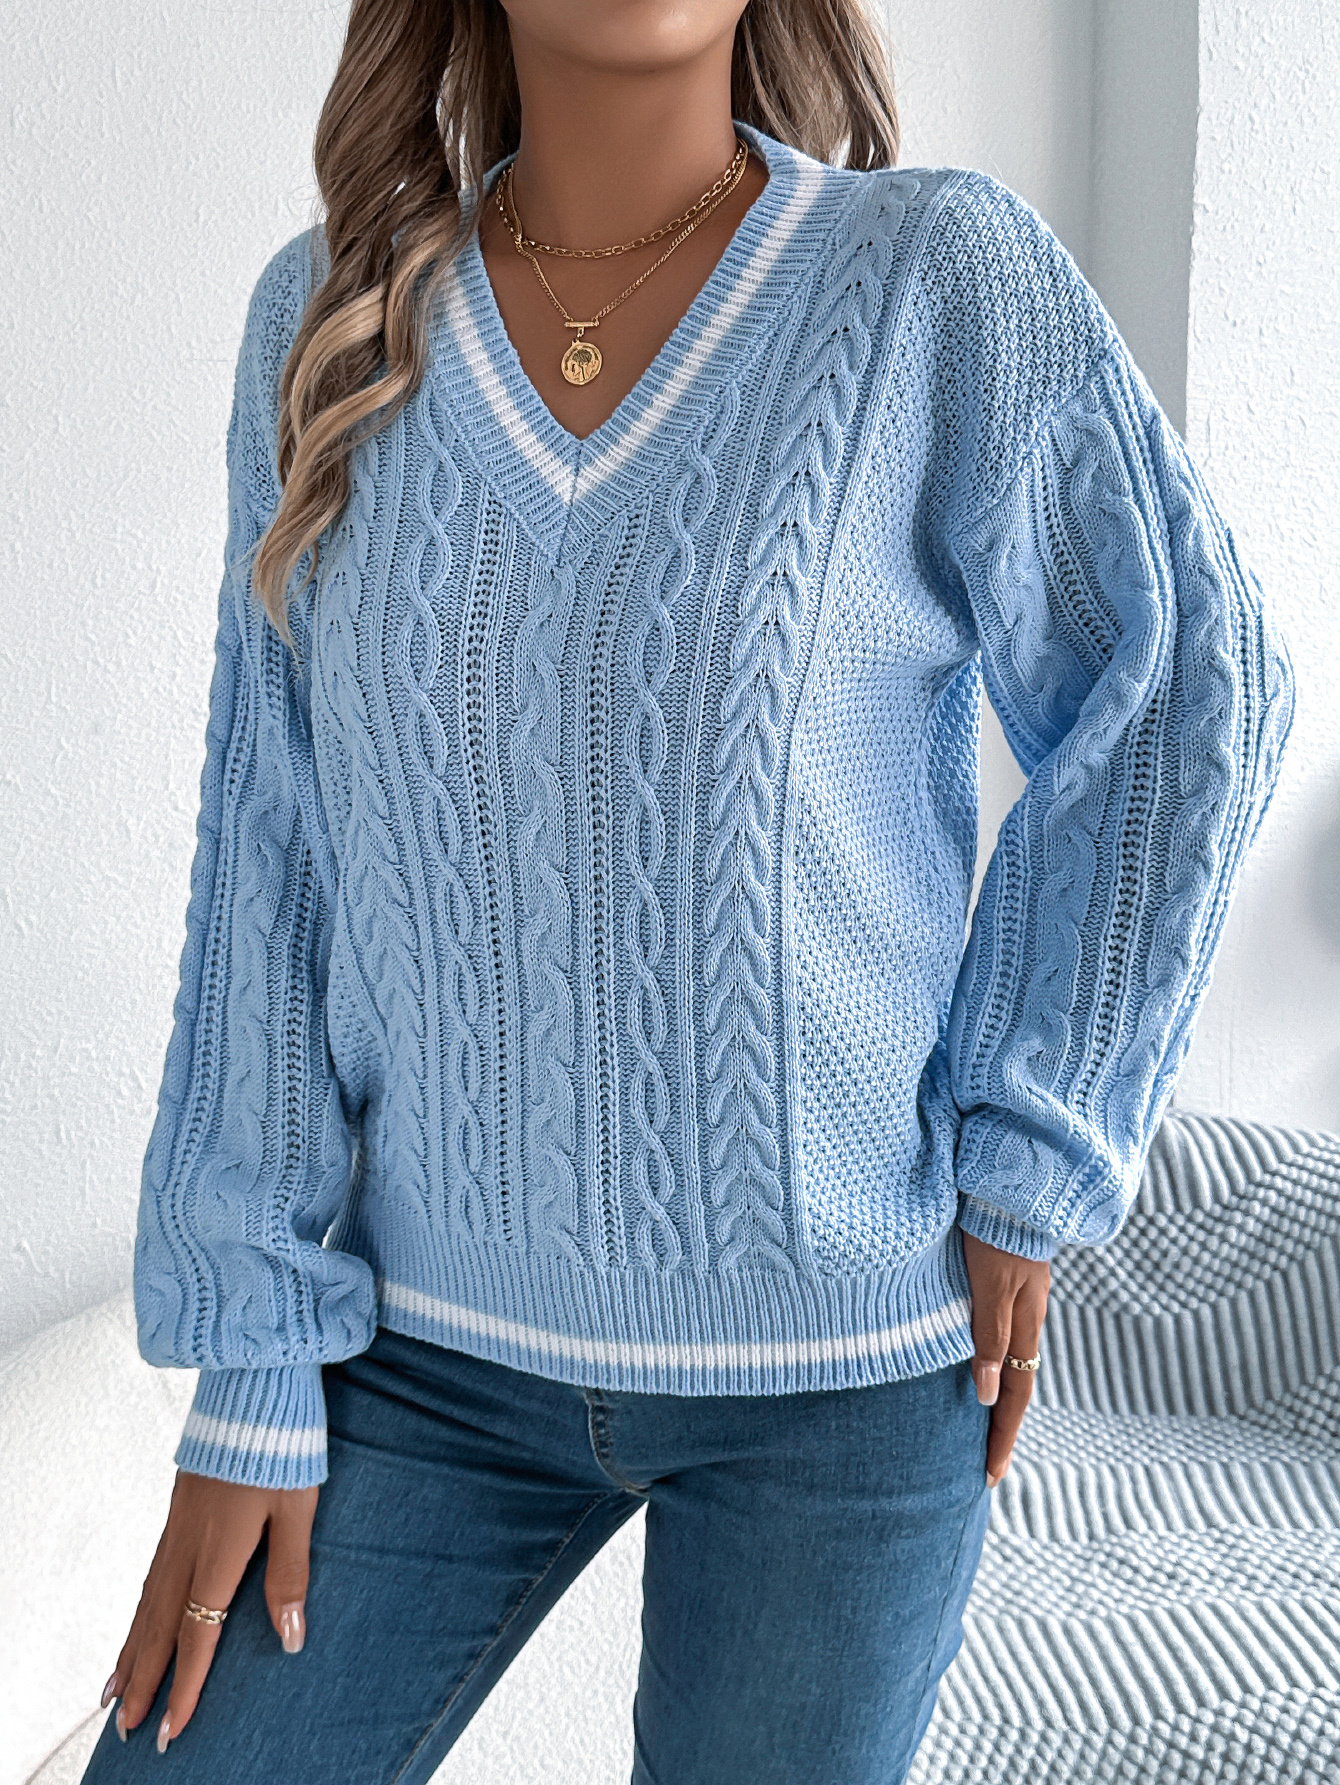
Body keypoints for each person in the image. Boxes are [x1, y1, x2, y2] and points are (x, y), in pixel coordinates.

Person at [81, 1, 1295, 1781]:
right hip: (423, 1358)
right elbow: (274, 849)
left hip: (844, 1376)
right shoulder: (329, 321)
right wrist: (251, 1356)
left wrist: (1034, 1139)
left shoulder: (931, 281)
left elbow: (1188, 678)